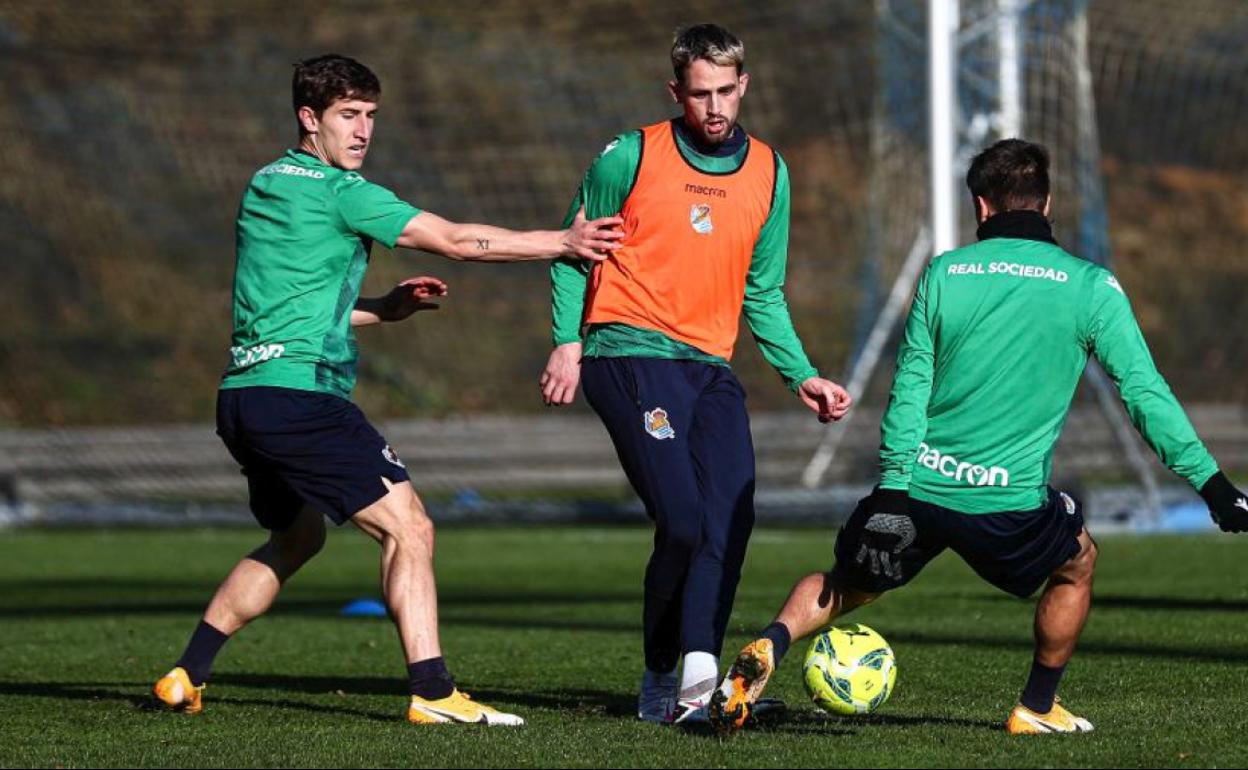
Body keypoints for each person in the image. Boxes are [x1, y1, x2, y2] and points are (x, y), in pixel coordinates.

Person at [710, 138, 1248, 736]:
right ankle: (1036, 709)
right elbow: (1145, 395)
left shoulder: (944, 273)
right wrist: (1213, 484)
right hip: (1004, 504)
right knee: (1077, 562)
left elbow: (909, 386)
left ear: (981, 207)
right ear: (1046, 204)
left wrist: (891, 493)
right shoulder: (1090, 286)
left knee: (845, 585)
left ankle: (770, 642)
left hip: (916, 488)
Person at [151, 54, 623, 726]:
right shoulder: (344, 193)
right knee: (411, 527)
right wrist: (563, 241)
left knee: (296, 540)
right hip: (301, 399)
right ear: (309, 119)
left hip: (245, 397)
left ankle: (185, 673)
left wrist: (384, 309)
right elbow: (458, 242)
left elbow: (302, 307)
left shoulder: (264, 184)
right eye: (348, 115)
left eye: (370, 115)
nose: (364, 130)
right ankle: (433, 693)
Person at [539, 24, 852, 724]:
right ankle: (660, 678)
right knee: (682, 522)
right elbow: (571, 249)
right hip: (628, 356)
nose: (713, 107)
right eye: (698, 93)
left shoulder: (771, 171)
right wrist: (566, 342)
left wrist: (800, 374)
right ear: (675, 91)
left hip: (710, 369)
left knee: (730, 519)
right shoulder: (630, 156)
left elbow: (762, 291)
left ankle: (696, 686)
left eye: (725, 92)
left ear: (743, 86)